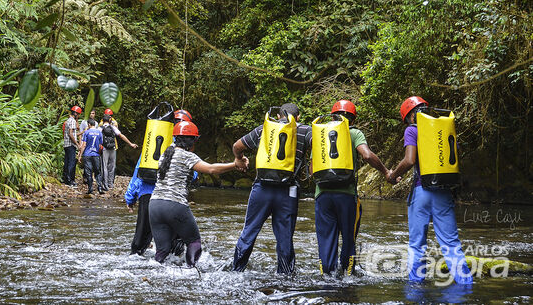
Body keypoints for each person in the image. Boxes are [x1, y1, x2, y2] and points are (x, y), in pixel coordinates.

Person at [387, 96, 472, 285]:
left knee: (417, 244)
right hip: (443, 192)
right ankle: (465, 285)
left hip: (421, 192)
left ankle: (416, 288)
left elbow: (409, 160)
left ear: (409, 117)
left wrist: (393, 176)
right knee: (451, 244)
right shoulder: (443, 129)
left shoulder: (412, 130)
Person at [148, 120, 248, 267]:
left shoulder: (166, 153)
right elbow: (212, 169)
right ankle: (191, 272)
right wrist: (235, 164)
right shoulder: (187, 156)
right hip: (174, 205)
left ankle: (152, 274)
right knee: (194, 242)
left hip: (154, 205)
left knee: (162, 250)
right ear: (192, 141)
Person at [231, 103, 311, 274]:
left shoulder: (265, 129)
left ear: (279, 115)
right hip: (288, 191)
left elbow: (237, 146)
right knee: (285, 237)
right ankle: (285, 276)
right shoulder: (305, 131)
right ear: (298, 117)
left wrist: (240, 159)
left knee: (249, 230)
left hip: (262, 188)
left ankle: (236, 270)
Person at [313, 99, 389, 276]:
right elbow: (367, 155)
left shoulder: (320, 134)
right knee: (348, 239)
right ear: (352, 120)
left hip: (322, 195)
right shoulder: (354, 133)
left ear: (332, 116)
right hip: (347, 195)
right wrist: (385, 171)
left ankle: (327, 276)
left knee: (325, 240)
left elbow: (312, 169)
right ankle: (347, 279)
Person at [125, 108, 193, 256]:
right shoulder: (184, 147)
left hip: (147, 195)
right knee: (176, 241)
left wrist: (130, 197)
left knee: (141, 237)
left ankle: (135, 259)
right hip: (171, 199)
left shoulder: (156, 137)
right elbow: (192, 175)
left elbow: (139, 170)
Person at [99, 112, 137, 189]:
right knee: (112, 166)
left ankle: (105, 184)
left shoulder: (100, 128)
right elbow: (121, 136)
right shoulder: (113, 127)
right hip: (113, 148)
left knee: (104, 167)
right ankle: (111, 184)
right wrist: (130, 144)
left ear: (102, 120)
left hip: (105, 149)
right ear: (110, 120)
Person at [77, 119, 104, 194]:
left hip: (87, 154)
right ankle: (99, 188)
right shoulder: (99, 132)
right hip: (96, 154)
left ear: (89, 124)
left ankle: (90, 188)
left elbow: (84, 145)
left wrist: (80, 155)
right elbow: (100, 145)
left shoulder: (86, 132)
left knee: (88, 172)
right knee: (97, 171)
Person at [62, 106, 81, 186]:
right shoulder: (72, 121)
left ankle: (65, 178)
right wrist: (77, 144)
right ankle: (70, 180)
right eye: (78, 114)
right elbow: (71, 134)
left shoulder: (68, 120)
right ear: (76, 114)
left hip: (66, 144)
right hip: (71, 144)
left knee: (66, 161)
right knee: (71, 162)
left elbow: (75, 130)